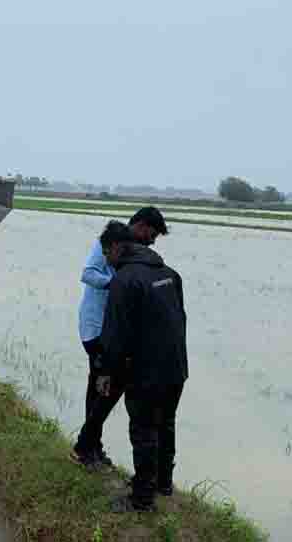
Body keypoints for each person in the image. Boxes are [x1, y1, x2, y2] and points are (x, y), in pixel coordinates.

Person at [96, 220, 188, 512]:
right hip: (176, 366)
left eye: (105, 253)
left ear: (115, 248)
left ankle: (142, 499)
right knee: (166, 424)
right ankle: (162, 483)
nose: (105, 260)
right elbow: (179, 320)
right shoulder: (169, 274)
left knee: (144, 429)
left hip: (146, 370)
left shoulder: (124, 280)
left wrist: (106, 372)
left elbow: (114, 332)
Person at [71, 206, 169, 468]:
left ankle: (91, 446)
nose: (152, 240)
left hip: (115, 330)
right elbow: (87, 273)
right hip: (97, 328)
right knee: (101, 389)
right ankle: (88, 448)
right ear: (141, 226)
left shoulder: (133, 252)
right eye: (152, 234)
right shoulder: (110, 242)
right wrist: (117, 285)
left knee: (105, 387)